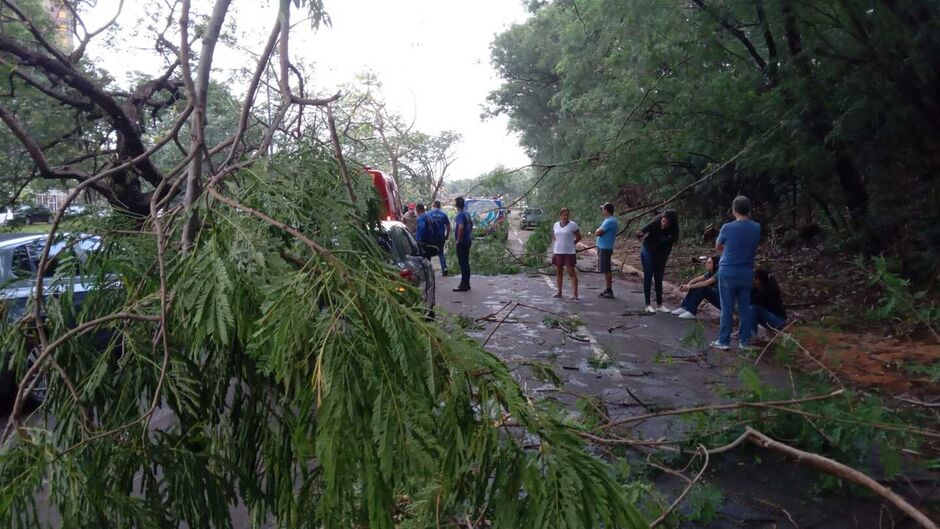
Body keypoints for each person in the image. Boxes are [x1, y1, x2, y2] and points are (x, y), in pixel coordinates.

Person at [711, 195, 761, 350]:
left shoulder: (727, 227)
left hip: (728, 271)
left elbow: (718, 247)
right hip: (746, 271)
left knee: (727, 307)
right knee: (744, 307)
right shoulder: (756, 227)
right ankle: (744, 341)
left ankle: (723, 341)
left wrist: (729, 249)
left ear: (734, 210)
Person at [636, 210, 679, 313]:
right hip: (647, 250)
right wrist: (639, 234)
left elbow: (669, 248)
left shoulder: (674, 230)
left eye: (667, 223)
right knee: (649, 275)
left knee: (658, 277)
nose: (664, 224)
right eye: (663, 221)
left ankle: (659, 305)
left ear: (671, 224)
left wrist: (662, 260)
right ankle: (648, 304)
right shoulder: (655, 223)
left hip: (661, 253)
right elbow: (642, 232)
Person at [672, 255, 721, 319]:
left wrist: (688, 286)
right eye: (707, 262)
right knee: (695, 285)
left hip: (722, 302)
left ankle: (691, 312)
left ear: (716, 265)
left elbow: (705, 283)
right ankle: (685, 308)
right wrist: (687, 286)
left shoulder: (719, 273)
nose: (706, 264)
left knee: (702, 287)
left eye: (709, 262)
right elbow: (695, 279)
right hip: (716, 297)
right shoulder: (710, 272)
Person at [551, 208, 581, 300]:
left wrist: (572, 244)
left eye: (567, 215)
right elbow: (554, 236)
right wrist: (558, 244)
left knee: (571, 272)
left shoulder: (573, 225)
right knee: (559, 272)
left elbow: (578, 237)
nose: (566, 216)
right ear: (560, 216)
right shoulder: (556, 225)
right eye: (564, 215)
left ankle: (575, 294)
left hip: (569, 252)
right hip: (558, 251)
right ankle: (559, 292)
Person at [750, 268, 787, 338]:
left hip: (778, 321)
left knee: (753, 308)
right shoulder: (763, 286)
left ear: (758, 280)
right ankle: (749, 332)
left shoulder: (766, 290)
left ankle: (752, 336)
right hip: (772, 318)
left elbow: (751, 302)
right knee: (751, 309)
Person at [595, 202, 619, 298]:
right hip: (604, 246)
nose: (602, 211)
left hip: (605, 247)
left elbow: (598, 232)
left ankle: (609, 290)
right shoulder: (610, 220)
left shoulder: (609, 221)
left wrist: (597, 230)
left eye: (603, 209)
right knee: (605, 269)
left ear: (606, 210)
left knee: (606, 268)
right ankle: (607, 288)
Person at [452, 196, 473, 292]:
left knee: (462, 263)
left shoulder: (460, 215)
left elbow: (460, 227)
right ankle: (467, 283)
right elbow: (471, 225)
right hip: (468, 240)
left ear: (456, 205)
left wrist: (458, 240)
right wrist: (468, 234)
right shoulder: (467, 214)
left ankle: (463, 284)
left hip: (462, 242)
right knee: (466, 262)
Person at [427, 200, 451, 276]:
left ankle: (428, 270)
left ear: (433, 205)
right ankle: (444, 268)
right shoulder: (443, 214)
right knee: (441, 253)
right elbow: (448, 226)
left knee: (429, 253)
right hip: (441, 237)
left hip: (431, 237)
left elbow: (426, 226)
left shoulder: (429, 214)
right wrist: (447, 235)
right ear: (440, 206)